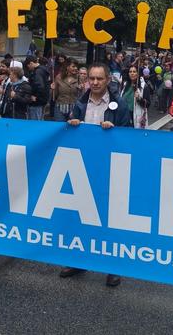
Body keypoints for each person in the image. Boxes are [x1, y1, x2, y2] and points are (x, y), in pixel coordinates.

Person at [63, 63, 131, 286]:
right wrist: (72, 124)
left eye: (99, 78)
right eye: (91, 78)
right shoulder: (81, 103)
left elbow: (130, 137)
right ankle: (78, 260)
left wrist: (116, 132)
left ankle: (111, 267)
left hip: (110, 169)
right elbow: (70, 134)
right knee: (80, 217)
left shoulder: (119, 104)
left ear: (108, 79)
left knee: (109, 220)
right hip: (83, 168)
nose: (94, 82)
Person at [120, 65, 152, 129]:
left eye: (134, 72)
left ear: (138, 73)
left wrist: (139, 99)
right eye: (130, 71)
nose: (132, 73)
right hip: (124, 116)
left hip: (136, 117)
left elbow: (148, 104)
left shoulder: (144, 86)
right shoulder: (125, 85)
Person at [24, 55, 50, 120]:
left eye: (28, 65)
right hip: (43, 100)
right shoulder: (43, 69)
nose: (28, 67)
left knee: (35, 121)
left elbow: (40, 86)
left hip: (37, 102)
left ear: (31, 63)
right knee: (40, 119)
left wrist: (36, 97)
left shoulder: (37, 72)